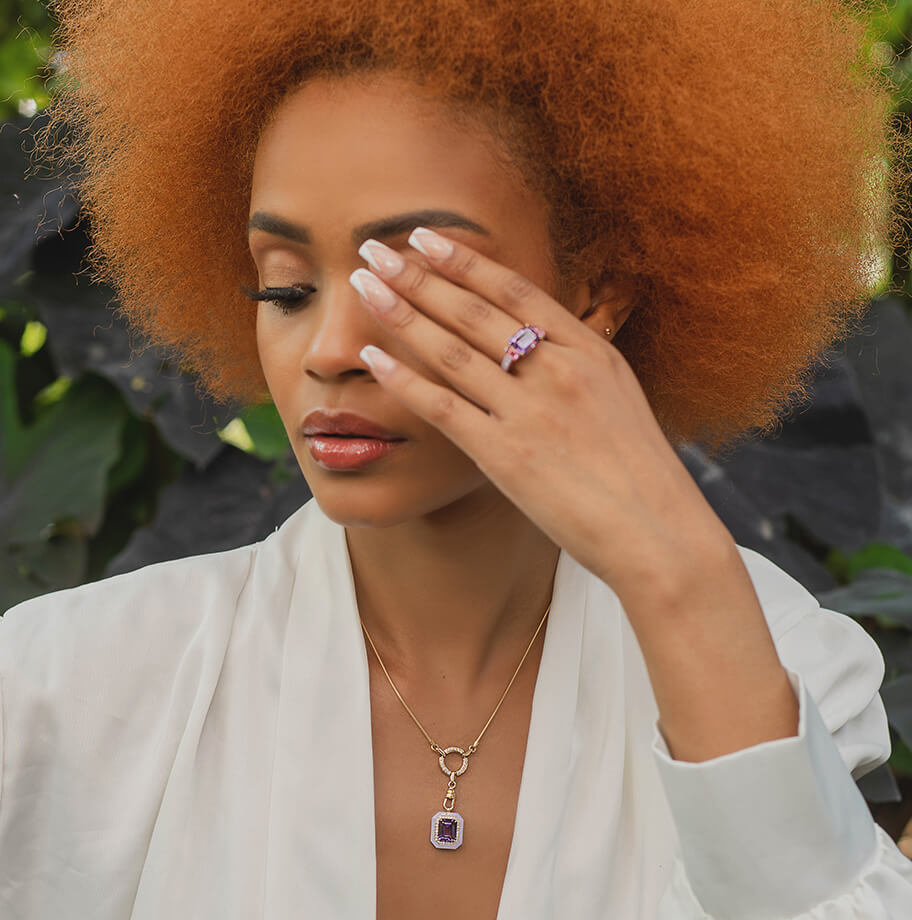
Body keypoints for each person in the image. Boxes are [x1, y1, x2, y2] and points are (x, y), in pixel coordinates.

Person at [2, 0, 912, 916]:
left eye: (413, 283)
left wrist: (678, 571)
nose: (329, 349)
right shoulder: (65, 692)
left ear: (596, 297)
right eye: (285, 288)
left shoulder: (780, 668)